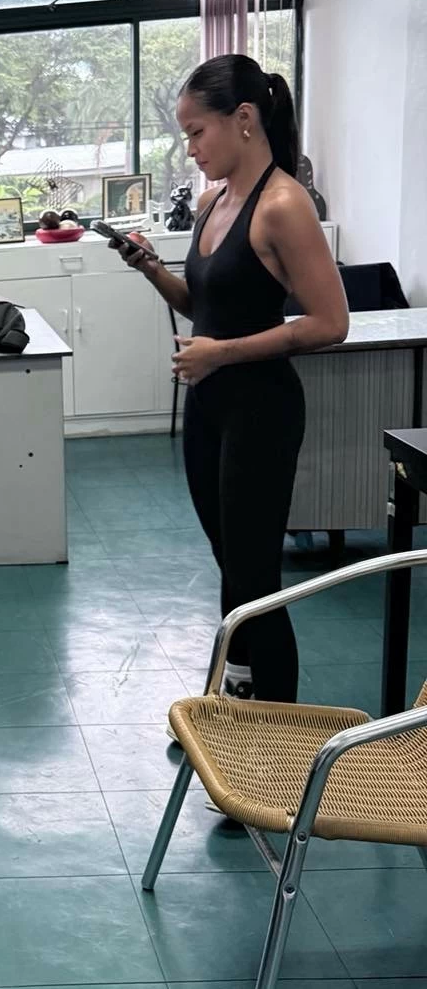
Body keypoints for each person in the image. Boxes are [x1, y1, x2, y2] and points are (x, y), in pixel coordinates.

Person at [116, 55, 347, 703]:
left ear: (243, 119)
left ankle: (277, 731)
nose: (191, 150)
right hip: (211, 407)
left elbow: (330, 323)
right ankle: (238, 689)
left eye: (197, 132)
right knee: (232, 566)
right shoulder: (217, 200)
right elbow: (204, 304)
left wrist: (222, 353)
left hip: (261, 411)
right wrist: (151, 270)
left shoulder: (283, 205)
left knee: (255, 580)